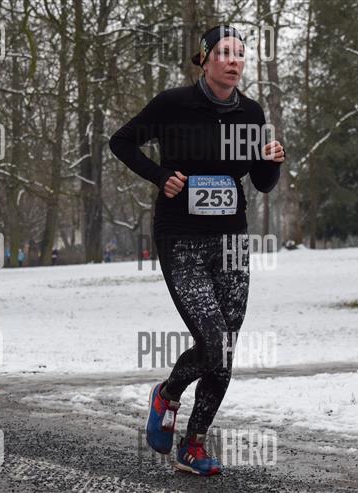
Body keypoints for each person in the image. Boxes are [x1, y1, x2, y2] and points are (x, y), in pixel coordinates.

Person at [109, 25, 285, 476]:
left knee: (225, 347)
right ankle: (167, 394)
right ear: (204, 59)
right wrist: (159, 175)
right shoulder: (173, 104)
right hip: (181, 237)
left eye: (240, 54)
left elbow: (261, 182)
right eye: (223, 52)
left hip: (231, 240)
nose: (233, 60)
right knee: (212, 339)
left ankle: (195, 444)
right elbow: (121, 141)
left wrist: (271, 161)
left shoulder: (250, 112)